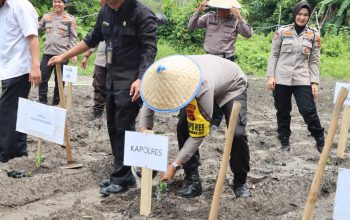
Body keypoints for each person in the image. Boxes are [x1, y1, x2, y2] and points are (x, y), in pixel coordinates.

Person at [48, 0, 157, 196]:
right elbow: (91, 39)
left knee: (124, 126)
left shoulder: (141, 13)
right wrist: (64, 56)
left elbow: (149, 50)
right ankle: (123, 174)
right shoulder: (105, 11)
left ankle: (123, 176)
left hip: (132, 79)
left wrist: (141, 79)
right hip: (112, 76)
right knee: (113, 125)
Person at [139, 54, 251, 198]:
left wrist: (174, 166)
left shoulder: (200, 86)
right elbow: (148, 103)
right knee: (183, 126)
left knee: (237, 134)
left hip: (232, 85)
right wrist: (144, 134)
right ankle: (192, 179)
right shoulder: (159, 74)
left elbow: (198, 134)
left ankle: (240, 181)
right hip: (211, 76)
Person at [266, 1, 324, 152]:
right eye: (299, 14)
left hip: (301, 78)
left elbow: (314, 60)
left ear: (309, 17)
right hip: (281, 77)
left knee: (308, 110)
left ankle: (320, 138)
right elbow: (274, 55)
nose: (302, 17)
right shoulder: (282, 31)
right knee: (283, 111)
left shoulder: (314, 35)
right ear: (294, 14)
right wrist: (271, 76)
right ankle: (284, 141)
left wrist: (314, 82)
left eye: (306, 15)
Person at [188, 0, 253, 131]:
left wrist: (240, 17)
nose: (222, 11)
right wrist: (198, 11)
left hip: (225, 60)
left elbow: (248, 34)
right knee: (207, 88)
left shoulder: (235, 20)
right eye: (220, 8)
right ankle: (206, 117)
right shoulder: (209, 17)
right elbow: (191, 26)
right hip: (209, 58)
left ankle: (215, 122)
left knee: (221, 90)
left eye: (226, 8)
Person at [0, 0, 41, 163]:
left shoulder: (22, 6)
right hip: (7, 68)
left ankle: (5, 153)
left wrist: (36, 66)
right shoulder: (2, 9)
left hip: (20, 67)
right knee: (15, 111)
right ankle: (18, 151)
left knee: (6, 110)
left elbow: (32, 37)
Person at [38, 0, 77, 105]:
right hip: (47, 53)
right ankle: (42, 101)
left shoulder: (70, 19)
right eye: (55, 1)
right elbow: (37, 28)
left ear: (64, 4)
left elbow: (73, 38)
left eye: (59, 2)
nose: (57, 4)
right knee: (42, 78)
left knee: (59, 80)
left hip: (62, 55)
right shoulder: (47, 17)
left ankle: (56, 102)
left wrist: (73, 54)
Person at [81, 0, 107, 119]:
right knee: (98, 86)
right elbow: (94, 40)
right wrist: (86, 56)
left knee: (116, 89)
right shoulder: (102, 21)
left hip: (119, 63)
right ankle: (98, 112)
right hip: (101, 60)